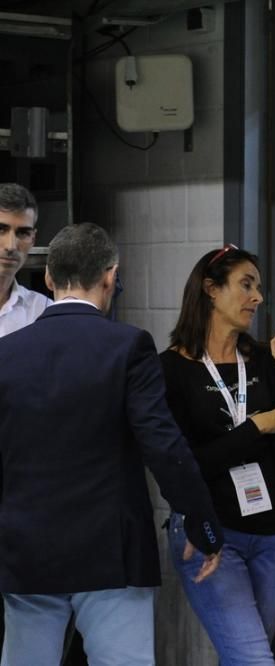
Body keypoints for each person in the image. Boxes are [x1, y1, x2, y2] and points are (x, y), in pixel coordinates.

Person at [0, 223, 222, 665]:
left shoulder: (7, 353)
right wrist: (202, 522)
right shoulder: (128, 346)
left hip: (25, 549)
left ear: (48, 278)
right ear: (110, 276)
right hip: (110, 550)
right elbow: (162, 443)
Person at [160, 245, 275, 665]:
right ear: (210, 289)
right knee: (253, 660)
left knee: (246, 656)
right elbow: (189, 466)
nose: (258, 298)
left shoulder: (265, 359)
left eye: (259, 288)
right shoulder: (170, 370)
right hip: (212, 533)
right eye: (246, 285)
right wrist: (258, 426)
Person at [0, 183, 50, 337]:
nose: (11, 246)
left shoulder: (43, 311)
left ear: (33, 239)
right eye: (1, 230)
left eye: (23, 233)